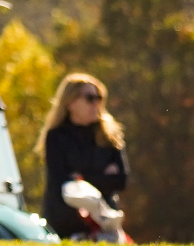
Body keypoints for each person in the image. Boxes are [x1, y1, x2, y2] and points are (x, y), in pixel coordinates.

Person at [40, 73, 130, 237]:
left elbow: (121, 180)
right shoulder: (56, 137)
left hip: (105, 224)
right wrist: (103, 176)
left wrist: (81, 177)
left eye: (99, 98)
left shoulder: (109, 136)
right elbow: (60, 183)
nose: (96, 103)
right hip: (66, 224)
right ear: (70, 102)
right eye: (90, 98)